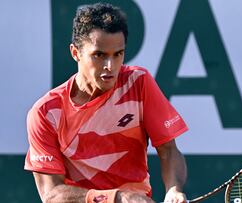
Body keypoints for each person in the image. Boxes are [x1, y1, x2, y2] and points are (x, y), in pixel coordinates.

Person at [24, 2, 188, 203]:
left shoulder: (138, 82)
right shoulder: (45, 113)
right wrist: (117, 198)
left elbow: (169, 150)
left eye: (118, 54)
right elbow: (52, 195)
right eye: (99, 55)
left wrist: (173, 189)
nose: (110, 67)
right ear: (75, 53)